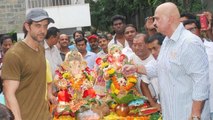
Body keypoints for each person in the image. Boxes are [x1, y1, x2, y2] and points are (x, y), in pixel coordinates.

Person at [123, 2, 210, 120]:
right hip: (171, 113)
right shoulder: (167, 41)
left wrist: (195, 115)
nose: (154, 23)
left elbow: (201, 81)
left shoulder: (189, 42)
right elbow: (158, 67)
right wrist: (136, 68)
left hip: (187, 113)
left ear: (170, 19)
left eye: (157, 19)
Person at [1, 8, 54, 120]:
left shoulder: (41, 49)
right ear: (27, 26)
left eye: (45, 26)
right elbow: (9, 94)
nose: (43, 30)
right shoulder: (14, 55)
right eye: (38, 25)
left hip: (45, 116)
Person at [183, 19, 213, 120]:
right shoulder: (183, 52)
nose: (190, 33)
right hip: (196, 105)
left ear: (200, 30)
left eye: (192, 29)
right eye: (186, 31)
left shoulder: (211, 47)